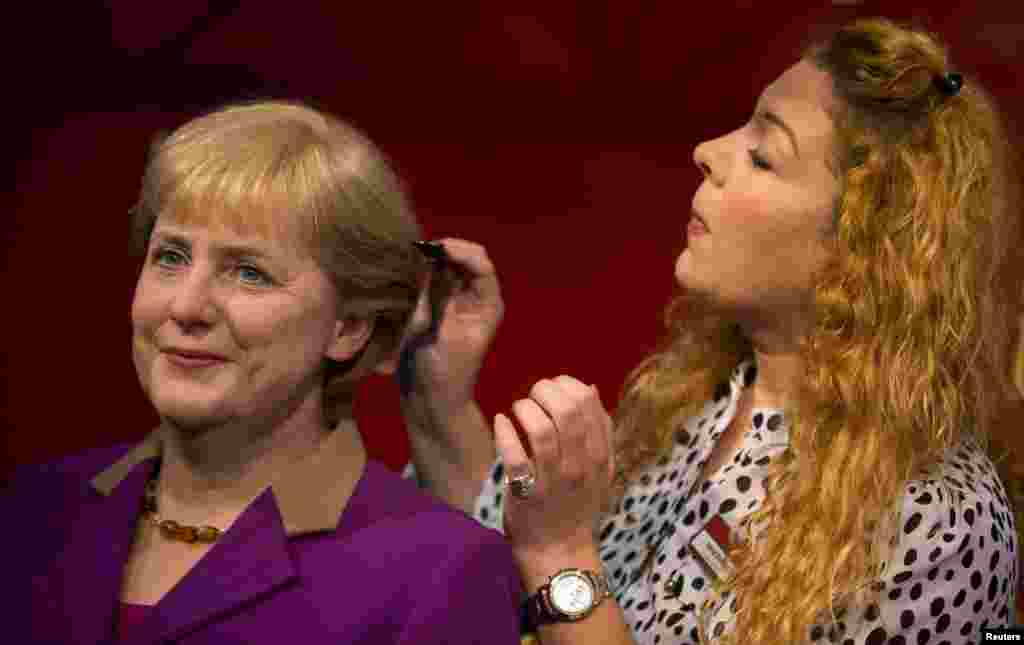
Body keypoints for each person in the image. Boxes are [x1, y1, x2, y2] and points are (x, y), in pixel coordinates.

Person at [399, 17, 1024, 645]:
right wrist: (437, 394)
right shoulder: (710, 393)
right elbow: (506, 571)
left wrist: (561, 550)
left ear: (860, 248)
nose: (708, 152)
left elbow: (556, 572)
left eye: (762, 156)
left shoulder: (935, 524)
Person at [7, 101, 523, 643]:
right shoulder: (32, 513)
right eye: (171, 257)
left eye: (249, 273)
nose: (186, 307)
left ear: (348, 328)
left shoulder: (441, 571)